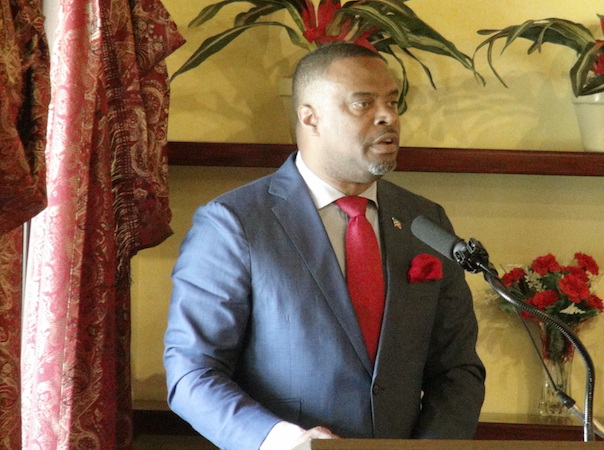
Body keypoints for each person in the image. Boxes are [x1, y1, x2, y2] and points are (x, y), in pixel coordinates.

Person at [163, 42, 486, 450]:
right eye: (363, 103)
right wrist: (284, 441)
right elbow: (191, 371)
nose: (387, 116)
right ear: (309, 117)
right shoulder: (235, 223)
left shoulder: (425, 222)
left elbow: (457, 370)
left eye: (391, 101)